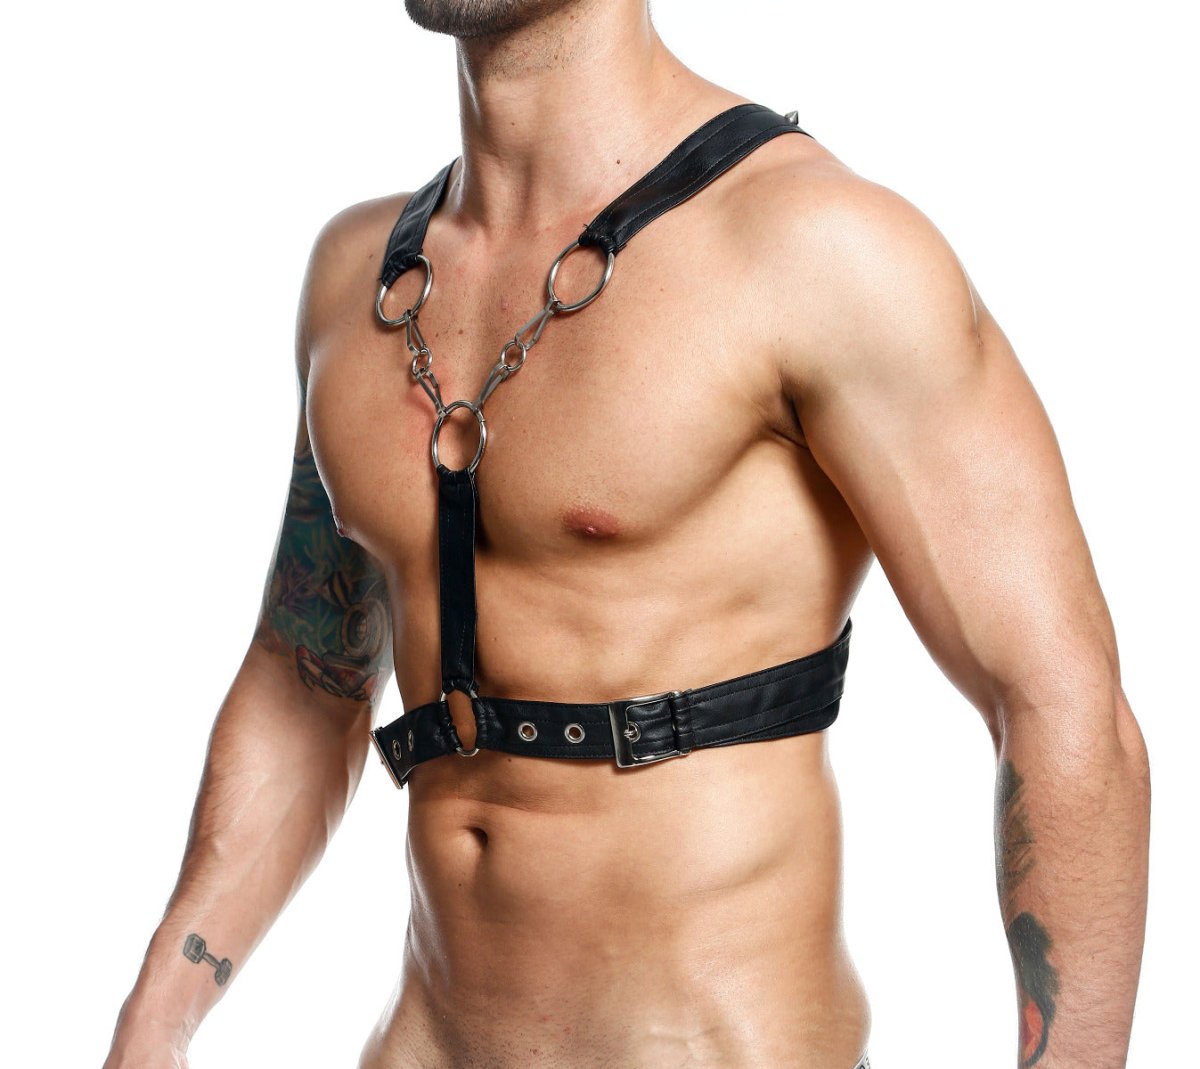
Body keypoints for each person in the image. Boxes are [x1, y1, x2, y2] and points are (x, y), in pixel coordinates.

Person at [102, 1, 1151, 1066]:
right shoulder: (355, 279)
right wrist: (155, 1020)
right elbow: (305, 685)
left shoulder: (814, 248)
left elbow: (1060, 702)